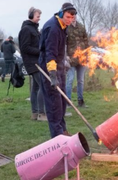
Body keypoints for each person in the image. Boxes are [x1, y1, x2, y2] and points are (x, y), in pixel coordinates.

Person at [38, 3, 76, 138]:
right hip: (49, 68)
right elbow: (50, 53)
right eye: (67, 17)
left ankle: (63, 130)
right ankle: (58, 138)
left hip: (59, 67)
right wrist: (53, 75)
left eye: (72, 18)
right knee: (54, 105)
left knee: (62, 101)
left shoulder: (63, 26)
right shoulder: (53, 28)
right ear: (61, 13)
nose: (69, 20)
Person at [18, 7, 47, 121]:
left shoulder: (35, 29)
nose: (39, 18)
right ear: (31, 16)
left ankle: (34, 114)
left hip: (37, 61)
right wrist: (40, 51)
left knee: (35, 88)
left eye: (39, 16)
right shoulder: (26, 29)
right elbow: (24, 48)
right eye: (37, 16)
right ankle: (41, 113)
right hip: (32, 63)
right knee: (42, 86)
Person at [66, 15, 89, 107]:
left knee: (81, 81)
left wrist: (87, 54)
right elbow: (64, 43)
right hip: (71, 59)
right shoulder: (67, 28)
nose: (73, 17)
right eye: (71, 16)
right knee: (70, 80)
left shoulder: (81, 26)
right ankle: (68, 102)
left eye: (74, 15)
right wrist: (66, 56)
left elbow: (86, 40)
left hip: (82, 59)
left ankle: (80, 101)